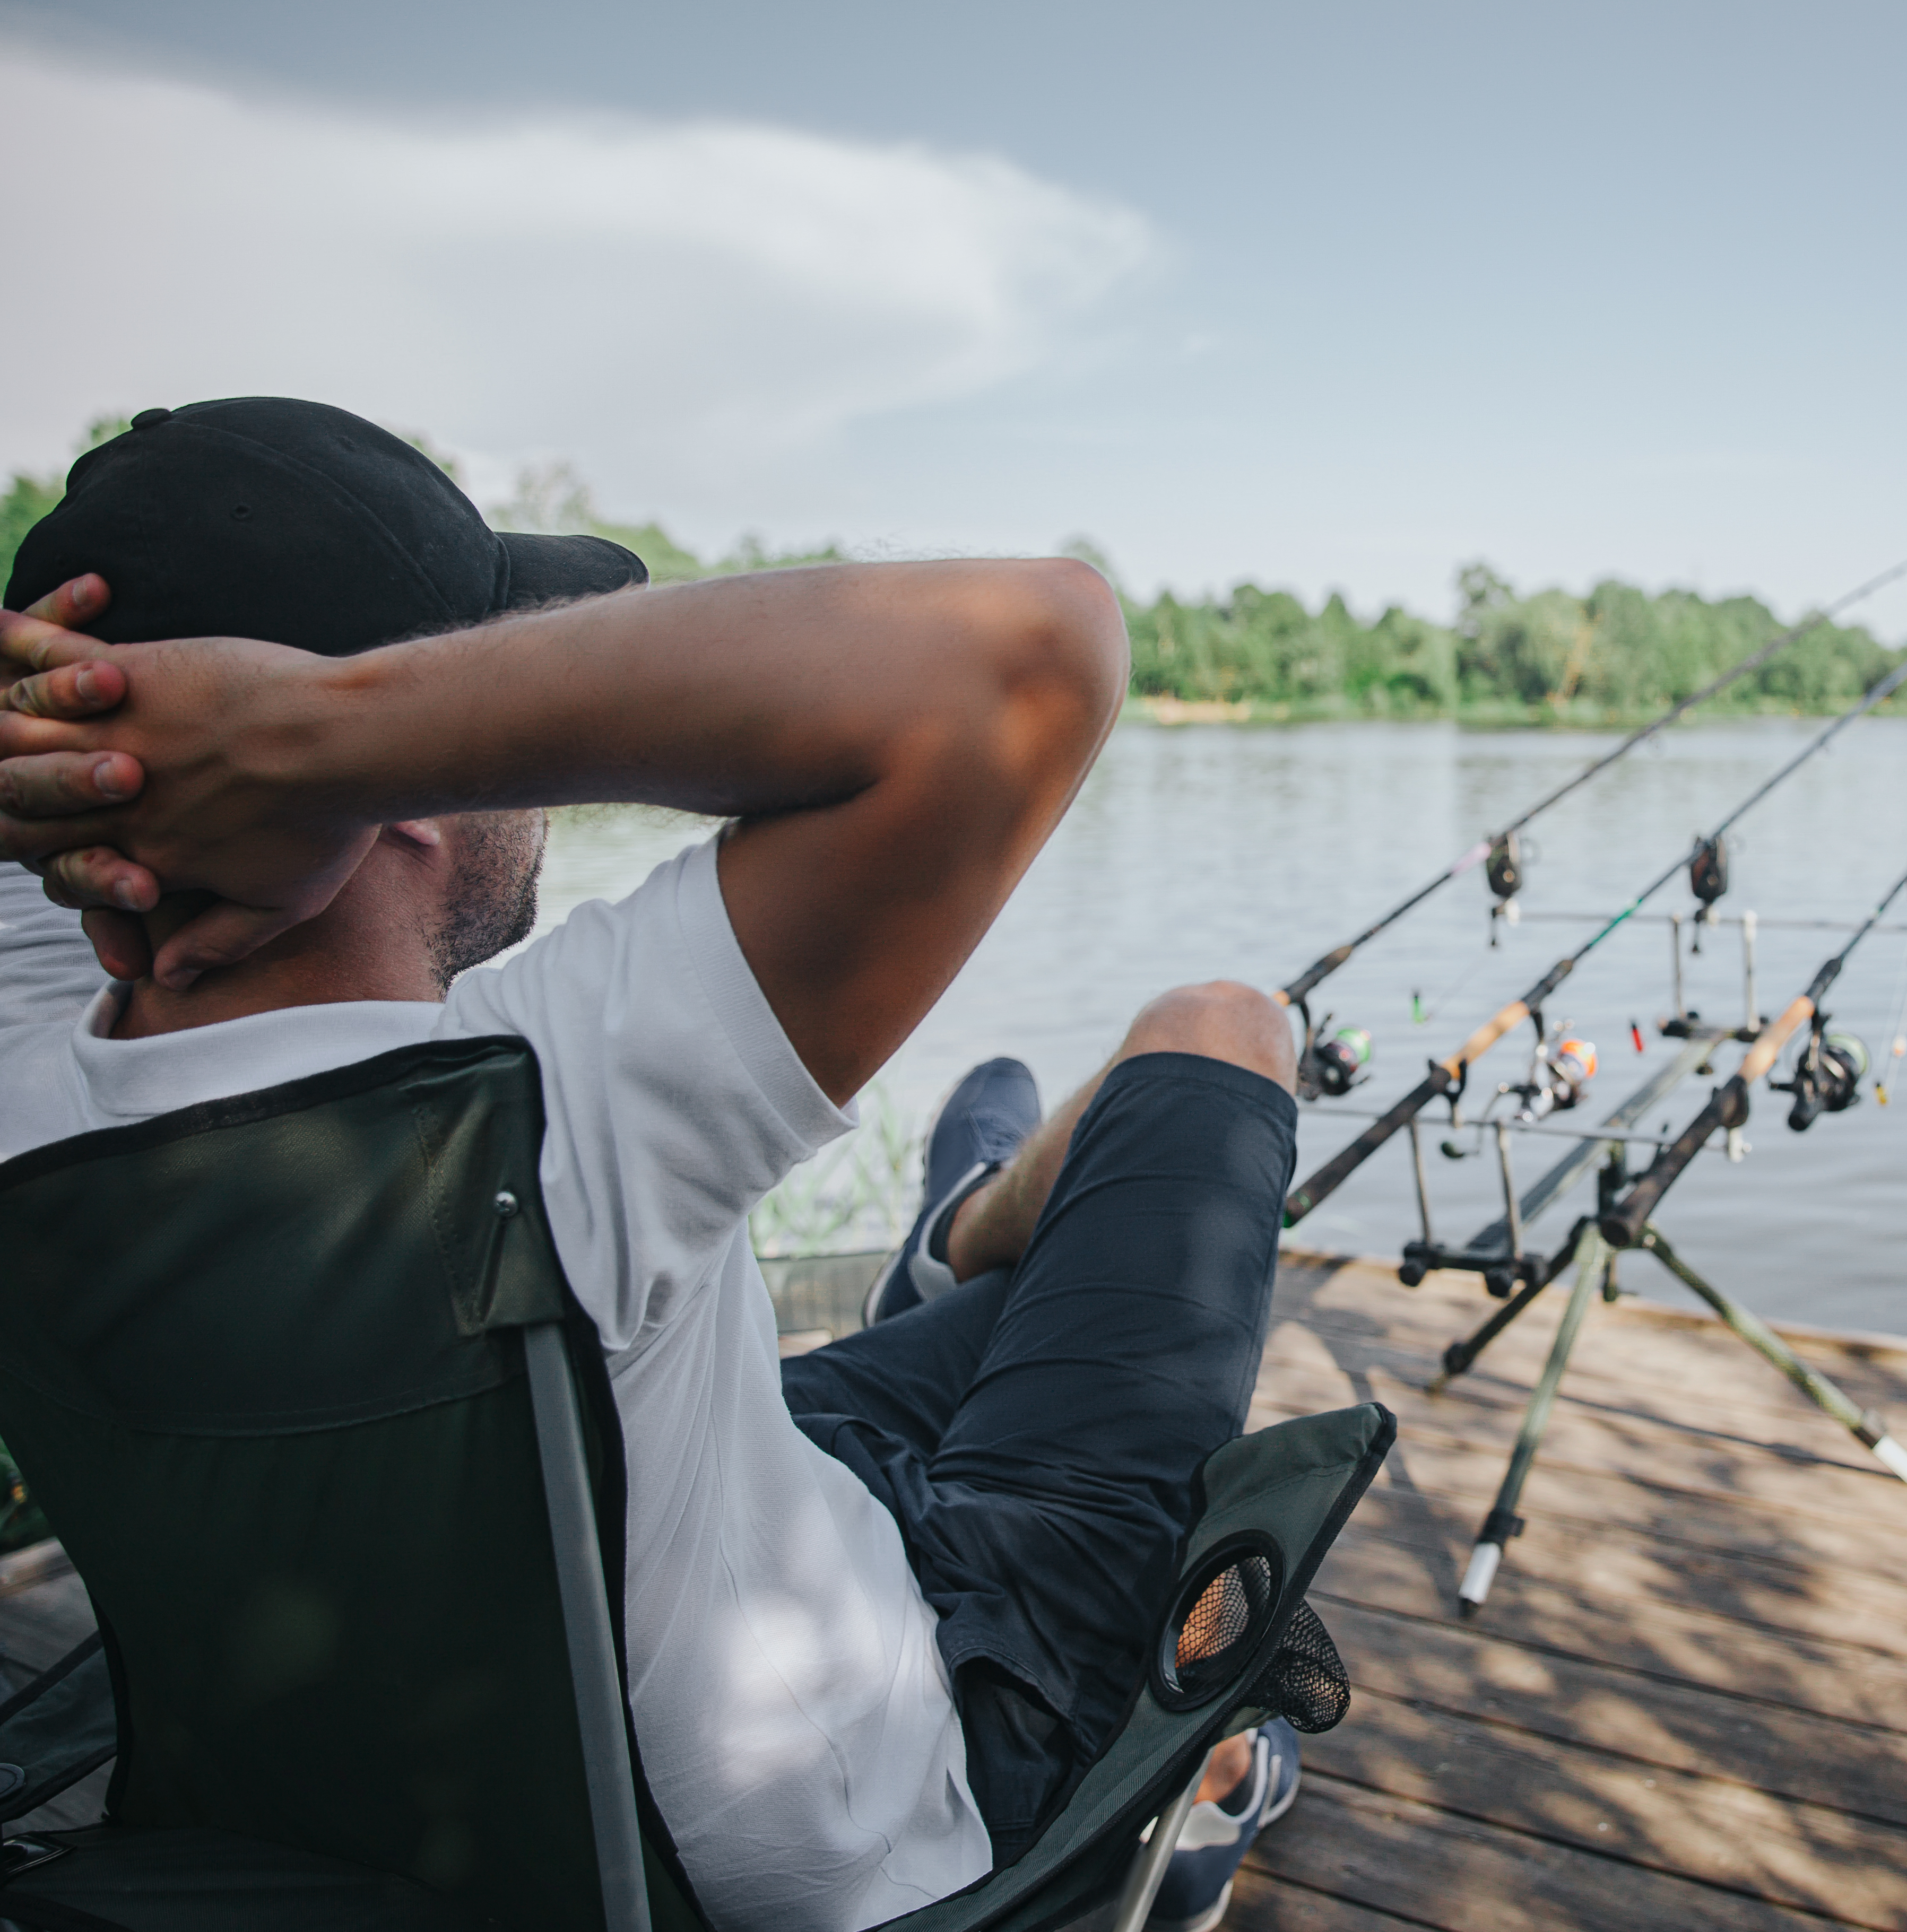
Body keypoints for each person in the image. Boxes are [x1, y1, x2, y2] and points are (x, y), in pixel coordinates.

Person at [0, 399, 1305, 1932]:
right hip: (894, 1818)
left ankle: (959, 1241)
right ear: (382, 785)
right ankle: (1189, 1786)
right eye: (455, 686)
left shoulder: (32, 1053)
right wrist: (318, 735)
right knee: (1220, 1028)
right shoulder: (541, 1102)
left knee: (963, 1200)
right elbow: (1041, 649)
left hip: (619, 1530)